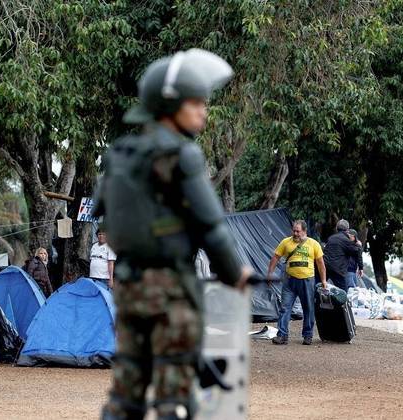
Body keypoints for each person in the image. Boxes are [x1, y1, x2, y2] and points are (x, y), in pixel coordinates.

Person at [93, 49, 252, 420]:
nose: (203, 110)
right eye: (195, 103)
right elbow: (210, 226)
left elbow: (108, 215)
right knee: (173, 398)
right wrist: (235, 273)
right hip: (171, 291)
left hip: (130, 288)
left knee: (125, 394)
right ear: (170, 106)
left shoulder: (120, 153)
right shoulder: (182, 154)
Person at [267, 220, 327, 346]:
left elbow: (320, 263)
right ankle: (282, 335)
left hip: (307, 280)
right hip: (289, 281)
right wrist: (270, 274)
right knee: (285, 308)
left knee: (308, 309)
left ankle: (308, 335)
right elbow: (275, 257)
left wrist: (323, 281)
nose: (295, 233)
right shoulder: (285, 242)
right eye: (294, 230)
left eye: (298, 231)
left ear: (304, 231)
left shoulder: (313, 244)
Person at [323, 219, 363, 292]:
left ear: (336, 228)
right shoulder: (346, 240)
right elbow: (357, 252)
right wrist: (359, 246)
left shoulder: (331, 238)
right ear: (347, 230)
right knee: (343, 292)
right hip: (338, 270)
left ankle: (317, 302)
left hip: (325, 267)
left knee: (322, 288)